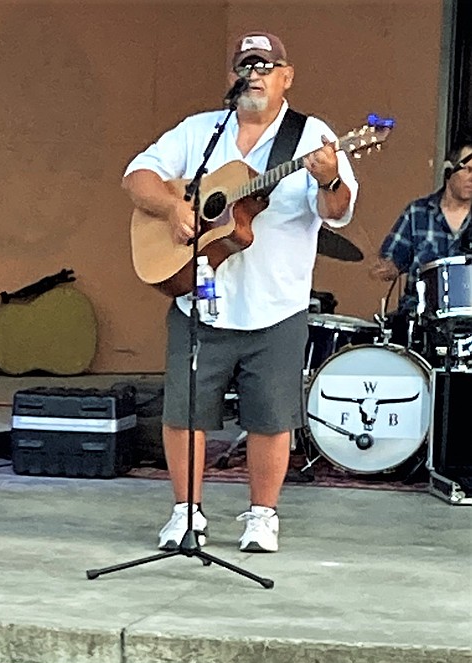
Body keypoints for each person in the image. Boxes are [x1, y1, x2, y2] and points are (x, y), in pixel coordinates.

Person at [123, 32, 357, 553]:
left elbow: (337, 209)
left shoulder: (312, 136)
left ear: (286, 76)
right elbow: (136, 176)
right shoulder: (201, 130)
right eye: (244, 65)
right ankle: (185, 513)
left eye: (265, 65)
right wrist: (172, 209)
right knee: (184, 411)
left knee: (271, 417)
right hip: (201, 299)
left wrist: (329, 177)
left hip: (275, 303)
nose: (253, 74)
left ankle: (262, 517)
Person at [370, 134, 472, 337]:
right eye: (468, 170)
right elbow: (390, 261)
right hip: (419, 322)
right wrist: (386, 267)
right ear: (449, 170)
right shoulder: (417, 213)